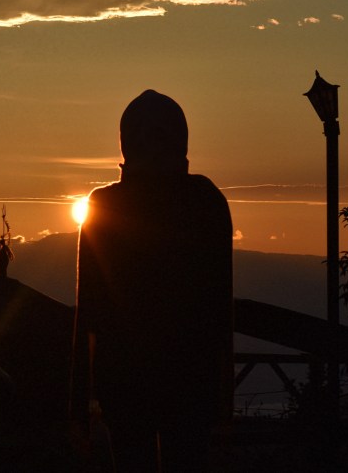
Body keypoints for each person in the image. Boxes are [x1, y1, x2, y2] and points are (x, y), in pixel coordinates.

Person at [71, 90, 233, 472]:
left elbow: (88, 312)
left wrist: (78, 404)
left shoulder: (104, 205)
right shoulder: (206, 200)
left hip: (129, 380)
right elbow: (219, 305)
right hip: (187, 378)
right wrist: (222, 395)